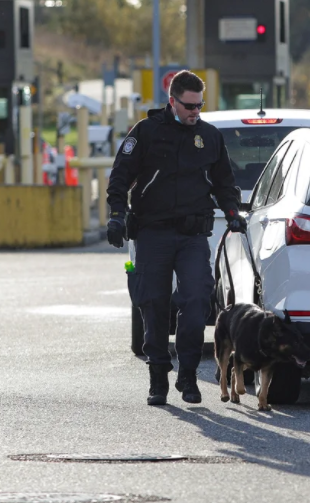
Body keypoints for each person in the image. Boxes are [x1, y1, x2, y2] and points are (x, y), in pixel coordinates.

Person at [105, 70, 247, 406]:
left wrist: (232, 211)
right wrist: (115, 215)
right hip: (153, 232)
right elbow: (120, 175)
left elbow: (224, 182)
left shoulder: (209, 137)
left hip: (192, 235)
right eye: (188, 106)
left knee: (196, 300)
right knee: (153, 303)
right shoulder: (146, 132)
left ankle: (188, 374)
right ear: (172, 101)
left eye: (199, 106)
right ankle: (158, 375)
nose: (195, 112)